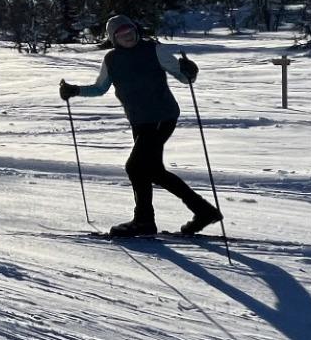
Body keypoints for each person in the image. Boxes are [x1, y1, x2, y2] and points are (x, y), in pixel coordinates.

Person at [60, 15, 216, 238]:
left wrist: (190, 70)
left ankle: (144, 221)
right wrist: (74, 90)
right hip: (139, 121)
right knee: (153, 171)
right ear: (114, 38)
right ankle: (203, 212)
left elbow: (184, 78)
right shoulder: (111, 59)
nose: (128, 36)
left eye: (131, 32)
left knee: (135, 167)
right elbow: (99, 88)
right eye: (122, 34)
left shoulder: (154, 50)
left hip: (162, 116)